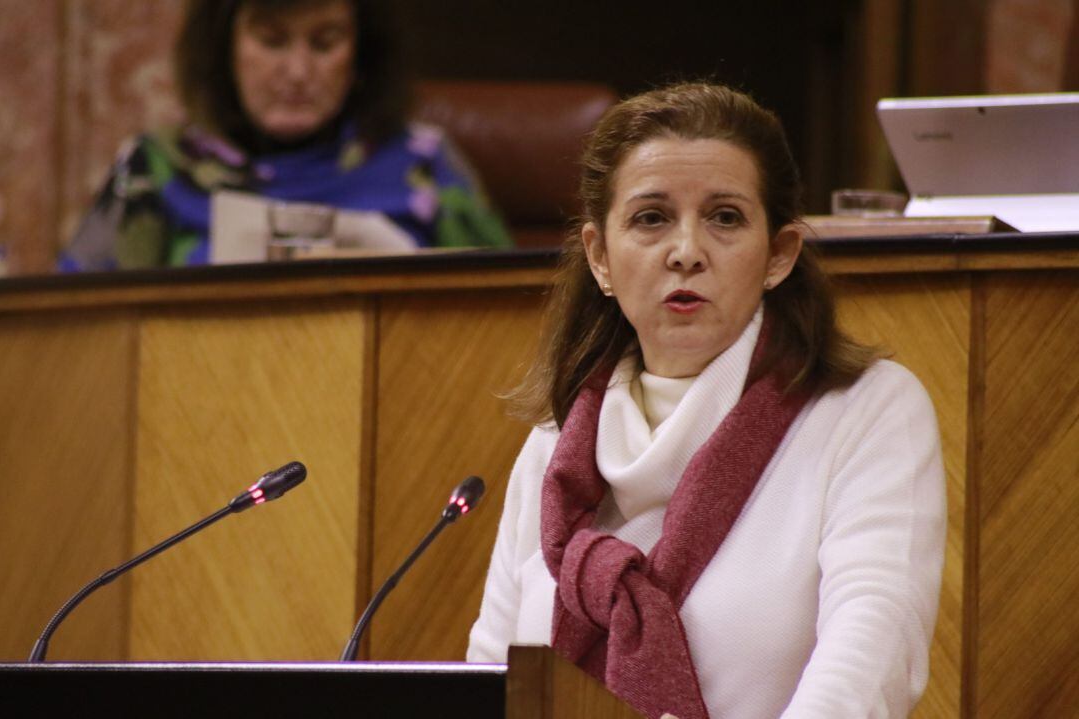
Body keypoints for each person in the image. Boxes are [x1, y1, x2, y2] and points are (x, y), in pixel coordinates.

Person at [466, 82, 946, 719]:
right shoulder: (557, 443)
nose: (686, 252)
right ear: (600, 258)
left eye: (724, 218)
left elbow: (871, 654)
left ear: (779, 254)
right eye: (651, 218)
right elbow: (491, 676)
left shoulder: (867, 410)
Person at [59, 0, 510, 272]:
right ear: (224, 49)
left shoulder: (424, 163)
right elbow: (79, 335)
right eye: (272, 41)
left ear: (361, 55)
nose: (297, 72)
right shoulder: (154, 168)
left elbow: (509, 322)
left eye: (324, 42)